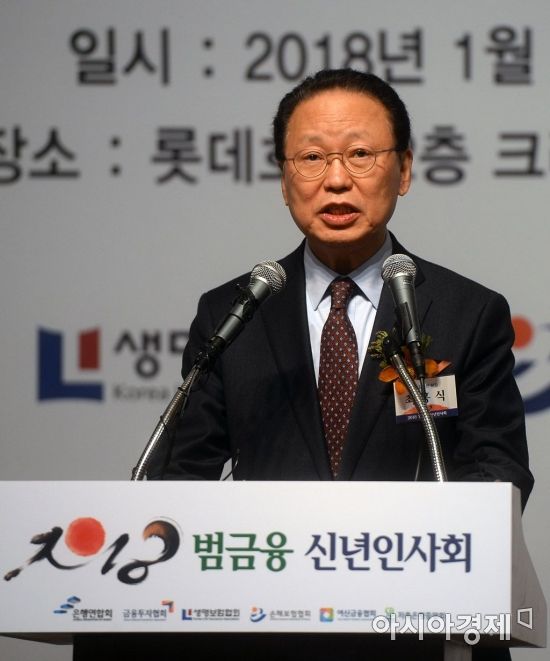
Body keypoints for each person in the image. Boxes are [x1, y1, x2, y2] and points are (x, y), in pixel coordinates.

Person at [148, 69, 532, 660]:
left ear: (404, 170)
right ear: (284, 180)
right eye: (311, 158)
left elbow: (497, 470)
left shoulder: (468, 311)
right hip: (265, 626)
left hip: (416, 625)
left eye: (359, 155)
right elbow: (179, 475)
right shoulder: (234, 312)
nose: (335, 180)